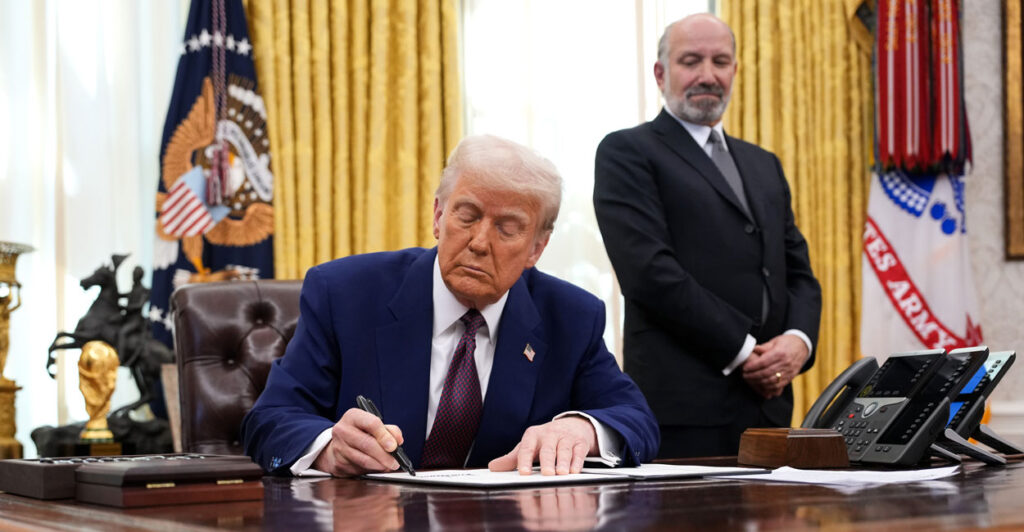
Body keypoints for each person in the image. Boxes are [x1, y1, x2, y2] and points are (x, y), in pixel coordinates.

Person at [242, 134, 659, 476]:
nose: (479, 242)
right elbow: (271, 419)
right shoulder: (345, 293)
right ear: (438, 216)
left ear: (537, 247)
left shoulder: (570, 316)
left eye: (507, 228)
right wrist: (329, 447)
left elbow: (636, 420)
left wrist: (582, 429)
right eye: (467, 215)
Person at [593, 13, 822, 458]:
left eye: (720, 61)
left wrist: (799, 341)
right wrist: (744, 351)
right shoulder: (626, 152)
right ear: (661, 73)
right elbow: (649, 273)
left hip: (769, 410)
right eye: (691, 61)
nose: (707, 75)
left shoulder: (764, 164)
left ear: (735, 70)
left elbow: (798, 272)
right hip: (681, 412)